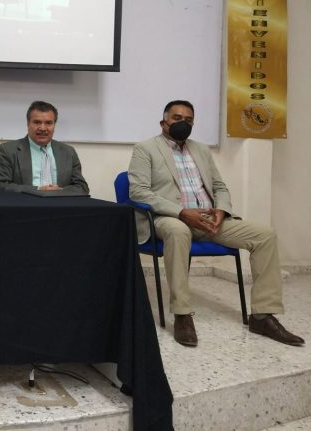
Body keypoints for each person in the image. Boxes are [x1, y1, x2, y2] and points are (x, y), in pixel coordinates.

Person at [128, 100, 304, 347]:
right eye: (177, 118)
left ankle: (262, 316)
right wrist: (182, 212)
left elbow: (219, 186)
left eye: (189, 120)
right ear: (163, 122)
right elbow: (139, 192)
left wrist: (221, 210)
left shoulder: (200, 149)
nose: (183, 123)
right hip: (169, 218)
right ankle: (182, 314)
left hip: (209, 219)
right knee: (178, 232)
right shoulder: (145, 149)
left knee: (264, 235)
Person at [0, 101, 89, 194]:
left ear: (54, 125)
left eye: (48, 123)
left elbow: (82, 187)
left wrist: (58, 192)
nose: (42, 128)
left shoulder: (68, 152)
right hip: (25, 205)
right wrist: (37, 190)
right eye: (37, 122)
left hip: (60, 205)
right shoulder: (8, 150)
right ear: (28, 124)